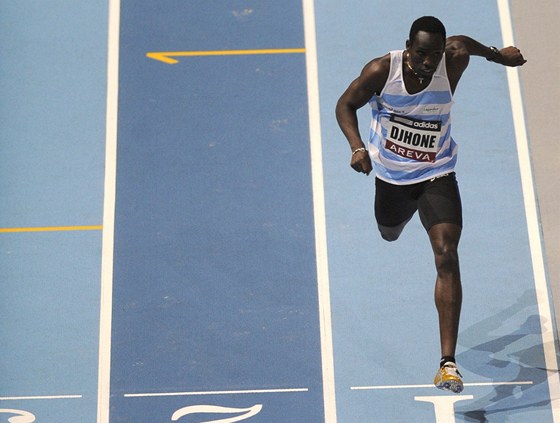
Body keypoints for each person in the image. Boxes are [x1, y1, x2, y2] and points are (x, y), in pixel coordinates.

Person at [335, 16, 526, 393]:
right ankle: (396, 221)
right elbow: (345, 104)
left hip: (437, 173)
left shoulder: (449, 59)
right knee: (389, 232)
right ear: (408, 46)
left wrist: (496, 57)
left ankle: (447, 364)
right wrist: (357, 147)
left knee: (446, 254)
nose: (428, 62)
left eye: (434, 55)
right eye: (421, 53)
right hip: (391, 178)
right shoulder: (380, 70)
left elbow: (462, 44)